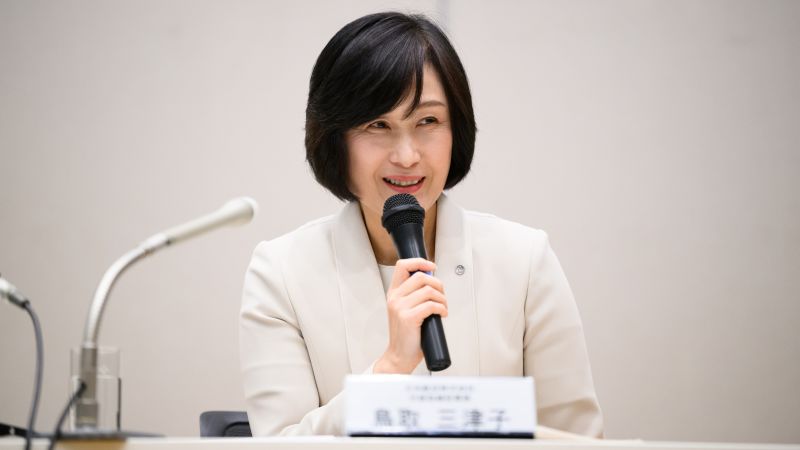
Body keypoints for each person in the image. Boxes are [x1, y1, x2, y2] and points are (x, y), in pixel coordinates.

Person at [240, 12, 603, 437]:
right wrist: (390, 368)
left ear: (456, 129)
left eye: (427, 121)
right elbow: (278, 442)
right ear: (335, 139)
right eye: (378, 125)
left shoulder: (524, 261)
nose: (407, 156)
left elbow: (578, 439)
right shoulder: (281, 273)